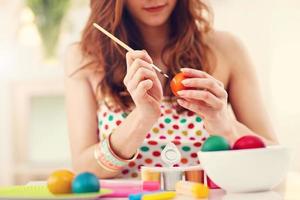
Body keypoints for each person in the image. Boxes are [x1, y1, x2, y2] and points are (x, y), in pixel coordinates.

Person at [64, 0, 277, 179]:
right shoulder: (84, 57)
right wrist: (142, 119)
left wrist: (224, 126)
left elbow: (273, 159)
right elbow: (84, 170)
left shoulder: (226, 48)